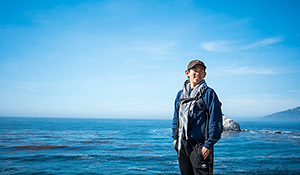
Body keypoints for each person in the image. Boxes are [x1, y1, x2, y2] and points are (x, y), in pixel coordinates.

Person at [172, 60, 223, 175]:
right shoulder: (180, 94)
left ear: (204, 75)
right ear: (187, 73)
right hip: (182, 143)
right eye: (195, 70)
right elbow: (176, 118)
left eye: (201, 71)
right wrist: (175, 138)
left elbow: (216, 120)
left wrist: (208, 144)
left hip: (200, 144)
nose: (198, 74)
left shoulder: (209, 93)